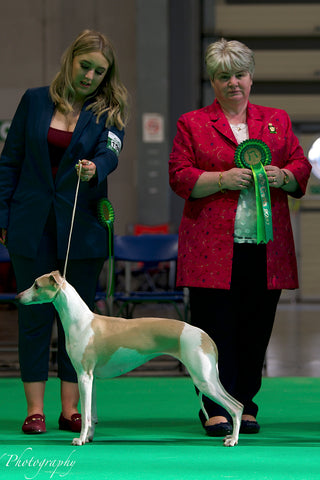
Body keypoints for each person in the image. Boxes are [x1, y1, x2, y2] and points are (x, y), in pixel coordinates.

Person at [169, 38, 311, 436]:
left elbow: (300, 164)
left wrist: (284, 175)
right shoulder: (192, 123)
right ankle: (214, 404)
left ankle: (246, 402)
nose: (233, 83)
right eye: (223, 76)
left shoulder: (277, 120)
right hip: (211, 247)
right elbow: (179, 176)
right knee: (213, 330)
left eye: (240, 74)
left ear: (251, 77)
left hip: (266, 246)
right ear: (212, 81)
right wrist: (220, 179)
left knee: (256, 327)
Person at [0, 29, 128, 434]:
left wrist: (96, 169)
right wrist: (2, 219)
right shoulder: (34, 101)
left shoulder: (108, 109)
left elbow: (111, 151)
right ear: (70, 60)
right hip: (30, 225)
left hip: (81, 228)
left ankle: (71, 409)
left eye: (99, 71)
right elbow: (9, 163)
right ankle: (34, 410)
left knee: (78, 323)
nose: (90, 76)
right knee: (34, 319)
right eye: (85, 66)